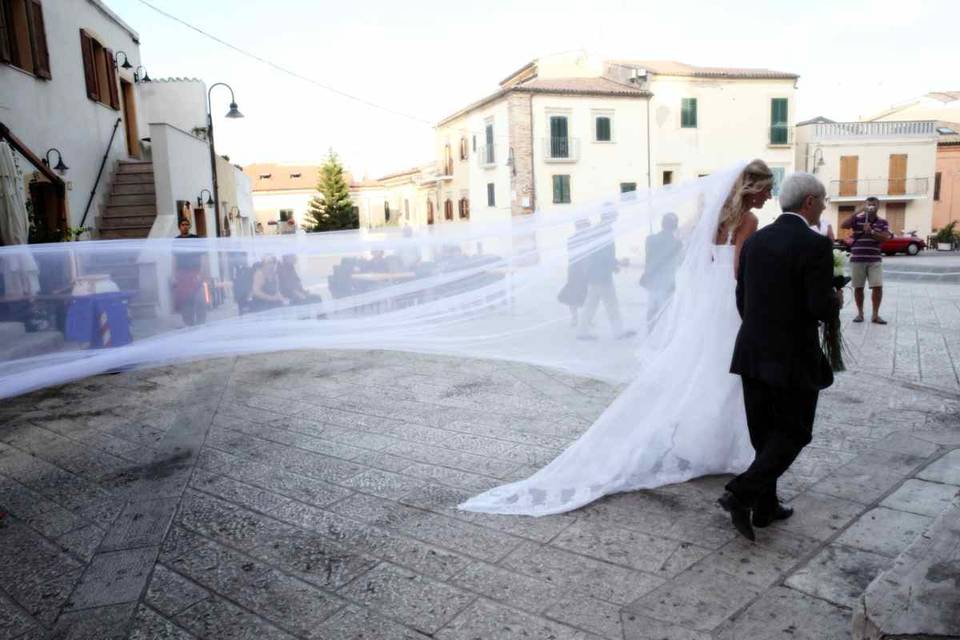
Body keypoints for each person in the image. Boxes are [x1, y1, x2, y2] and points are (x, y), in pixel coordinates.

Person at [459, 160, 774, 516]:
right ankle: (723, 447)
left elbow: (697, 262)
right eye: (767, 187)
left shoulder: (714, 218)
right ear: (752, 187)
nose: (770, 195)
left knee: (705, 373)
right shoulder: (748, 222)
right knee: (726, 377)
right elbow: (738, 270)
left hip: (706, 303)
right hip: (728, 301)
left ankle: (702, 445)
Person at [720, 172, 842, 541]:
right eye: (822, 200)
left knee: (765, 434)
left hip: (752, 351)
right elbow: (818, 306)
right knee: (794, 431)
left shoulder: (757, 241)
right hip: (792, 357)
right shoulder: (815, 245)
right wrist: (834, 299)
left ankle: (766, 507)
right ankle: (742, 493)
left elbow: (742, 299)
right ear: (809, 202)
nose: (823, 206)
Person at [576, 210, 635, 340]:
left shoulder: (599, 229)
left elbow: (600, 255)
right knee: (611, 304)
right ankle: (618, 332)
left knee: (590, 304)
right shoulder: (604, 231)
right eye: (614, 215)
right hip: (601, 275)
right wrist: (617, 263)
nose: (616, 217)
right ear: (609, 216)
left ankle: (582, 331)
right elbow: (604, 254)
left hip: (594, 273)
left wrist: (614, 266)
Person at [841, 196, 891, 324]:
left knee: (878, 287)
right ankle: (860, 314)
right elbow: (843, 225)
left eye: (873, 205)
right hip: (858, 258)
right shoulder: (857, 219)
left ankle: (875, 315)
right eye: (868, 204)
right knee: (858, 287)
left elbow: (885, 238)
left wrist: (872, 232)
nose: (871, 207)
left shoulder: (883, 222)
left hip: (875, 259)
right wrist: (858, 211)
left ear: (878, 206)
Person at [640, 212, 682, 323]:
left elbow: (648, 261)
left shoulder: (650, 239)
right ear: (675, 226)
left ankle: (649, 335)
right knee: (664, 315)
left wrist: (647, 275)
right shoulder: (677, 244)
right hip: (667, 283)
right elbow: (679, 263)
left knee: (651, 312)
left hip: (653, 281)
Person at [557, 219, 592, 327]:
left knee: (586, 293)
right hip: (575, 269)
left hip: (585, 269)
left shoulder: (590, 240)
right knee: (573, 294)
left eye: (586, 226)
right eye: (583, 226)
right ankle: (575, 317)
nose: (585, 229)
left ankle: (586, 318)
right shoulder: (572, 239)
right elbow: (573, 254)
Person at [173, 218, 206, 326]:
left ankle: (201, 322)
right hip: (182, 273)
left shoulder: (195, 239)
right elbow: (174, 258)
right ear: (179, 227)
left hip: (195, 272)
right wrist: (174, 275)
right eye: (183, 224)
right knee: (185, 299)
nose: (185, 226)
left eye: (187, 224)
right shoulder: (176, 241)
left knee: (200, 299)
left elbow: (203, 256)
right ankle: (189, 323)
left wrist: (202, 272)